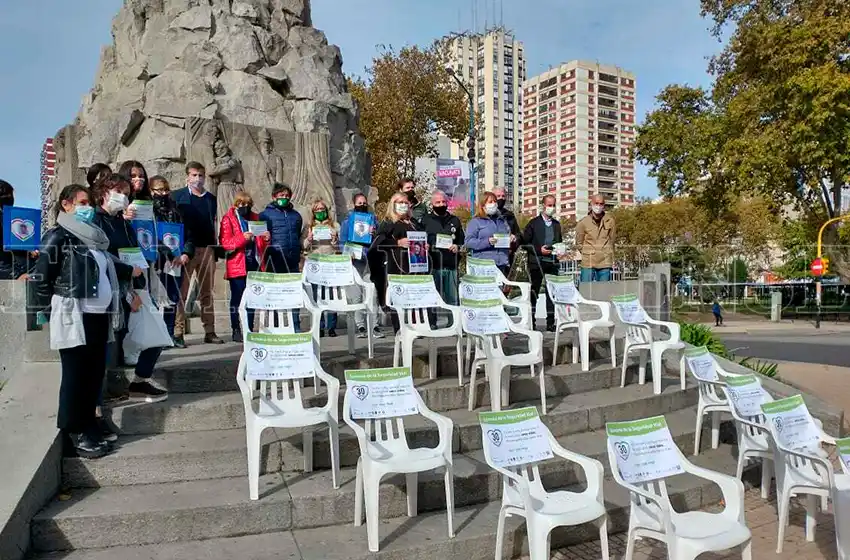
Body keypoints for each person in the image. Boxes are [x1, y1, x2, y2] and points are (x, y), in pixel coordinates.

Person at [31, 184, 142, 458]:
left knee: (93, 375)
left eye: (89, 203)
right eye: (81, 202)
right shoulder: (57, 236)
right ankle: (73, 431)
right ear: (66, 205)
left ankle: (89, 425)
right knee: (75, 376)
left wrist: (130, 270)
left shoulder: (94, 239)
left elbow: (109, 264)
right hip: (73, 315)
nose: (87, 208)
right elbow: (41, 277)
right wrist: (43, 311)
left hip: (98, 317)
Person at [92, 174, 169, 404]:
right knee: (109, 346)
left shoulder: (124, 224)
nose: (123, 197)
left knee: (158, 335)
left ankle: (140, 381)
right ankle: (104, 395)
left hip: (133, 287)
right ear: (104, 192)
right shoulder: (96, 222)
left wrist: (136, 289)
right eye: (119, 192)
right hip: (110, 290)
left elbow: (135, 254)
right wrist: (127, 278)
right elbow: (101, 257)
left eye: (127, 193)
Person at [171, 162, 225, 346]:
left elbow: (213, 223)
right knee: (182, 293)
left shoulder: (210, 198)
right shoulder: (178, 197)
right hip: (187, 250)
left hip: (207, 249)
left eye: (201, 175)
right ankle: (178, 332)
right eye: (194, 175)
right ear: (187, 176)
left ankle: (209, 331)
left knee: (206, 293)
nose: (198, 179)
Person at [373, 191, 427, 333]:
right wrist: (397, 242)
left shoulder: (414, 222)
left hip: (415, 265)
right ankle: (400, 329)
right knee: (398, 299)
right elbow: (378, 243)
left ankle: (415, 327)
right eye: (400, 202)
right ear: (393, 204)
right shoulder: (389, 222)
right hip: (397, 266)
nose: (403, 205)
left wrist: (425, 246)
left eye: (405, 202)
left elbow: (421, 237)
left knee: (413, 299)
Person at [220, 191, 268, 342]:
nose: (244, 207)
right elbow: (226, 244)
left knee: (252, 299)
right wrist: (243, 238)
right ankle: (236, 329)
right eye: (241, 204)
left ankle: (249, 328)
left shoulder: (255, 218)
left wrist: (266, 238)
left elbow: (261, 244)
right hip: (237, 264)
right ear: (236, 204)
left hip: (253, 262)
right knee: (237, 299)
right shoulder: (228, 219)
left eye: (247, 204)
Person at [259, 182, 304, 331]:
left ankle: (295, 327)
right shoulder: (265, 215)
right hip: (275, 259)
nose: (284, 198)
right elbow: (259, 237)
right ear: (274, 196)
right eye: (281, 195)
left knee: (294, 295)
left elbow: (297, 235)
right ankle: (275, 327)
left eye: (287, 196)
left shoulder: (296, 216)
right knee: (275, 296)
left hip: (292, 260)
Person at [338, 192, 383, 339]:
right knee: (356, 296)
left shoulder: (373, 220)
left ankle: (374, 325)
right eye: (360, 203)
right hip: (354, 260)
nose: (363, 205)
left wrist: (375, 232)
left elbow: (379, 240)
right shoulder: (347, 222)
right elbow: (342, 243)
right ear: (354, 205)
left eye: (365, 203)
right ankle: (360, 326)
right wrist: (347, 253)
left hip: (369, 259)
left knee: (373, 293)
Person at [150, 176, 189, 342]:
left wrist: (187, 252)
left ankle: (169, 334)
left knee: (172, 297)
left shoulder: (177, 210)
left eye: (166, 190)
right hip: (157, 259)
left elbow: (188, 234)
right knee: (155, 297)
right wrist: (167, 253)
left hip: (175, 261)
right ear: (152, 191)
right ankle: (155, 335)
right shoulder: (149, 211)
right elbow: (150, 235)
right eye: (160, 190)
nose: (164, 193)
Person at [421, 190, 464, 327]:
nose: (441, 204)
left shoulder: (455, 220)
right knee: (432, 298)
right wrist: (424, 245)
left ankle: (454, 324)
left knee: (453, 298)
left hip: (451, 265)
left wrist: (458, 246)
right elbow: (418, 240)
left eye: (443, 202)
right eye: (437, 202)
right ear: (432, 204)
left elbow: (462, 241)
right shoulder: (425, 220)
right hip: (433, 265)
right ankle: (431, 324)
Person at [522, 195, 564, 332]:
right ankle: (532, 321)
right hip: (537, 263)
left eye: (553, 205)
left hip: (552, 262)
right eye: (549, 205)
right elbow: (524, 243)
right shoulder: (533, 223)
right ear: (543, 206)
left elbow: (560, 241)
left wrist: (560, 250)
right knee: (534, 292)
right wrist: (538, 250)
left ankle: (551, 322)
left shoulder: (557, 225)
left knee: (551, 294)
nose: (551, 208)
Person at [303, 198, 340, 337]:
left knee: (331, 295)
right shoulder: (309, 226)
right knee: (316, 296)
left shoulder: (335, 225)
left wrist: (335, 240)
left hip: (330, 263)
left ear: (326, 210)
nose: (320, 211)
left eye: (322, 209)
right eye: (317, 209)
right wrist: (309, 239)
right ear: (313, 212)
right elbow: (304, 246)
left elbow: (339, 247)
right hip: (315, 264)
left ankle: (331, 327)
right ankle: (318, 326)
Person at [465, 191, 514, 276]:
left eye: (495, 201)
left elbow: (507, 236)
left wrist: (511, 238)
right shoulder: (475, 222)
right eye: (490, 202)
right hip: (483, 265)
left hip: (501, 264)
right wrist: (487, 242)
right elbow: (468, 242)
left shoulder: (502, 221)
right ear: (483, 205)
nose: (494, 204)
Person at [575, 195, 616, 283]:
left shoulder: (610, 221)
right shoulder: (583, 223)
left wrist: (609, 253)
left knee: (603, 292)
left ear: (604, 205)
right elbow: (579, 243)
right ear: (591, 204)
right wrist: (587, 252)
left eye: (601, 204)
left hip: (605, 261)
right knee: (586, 290)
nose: (598, 206)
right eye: (596, 203)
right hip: (588, 262)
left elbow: (612, 240)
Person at [0, 179, 33, 280]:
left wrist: (30, 251)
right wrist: (16, 275)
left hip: (23, 274)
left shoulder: (10, 219)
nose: (11, 199)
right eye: (7, 195)